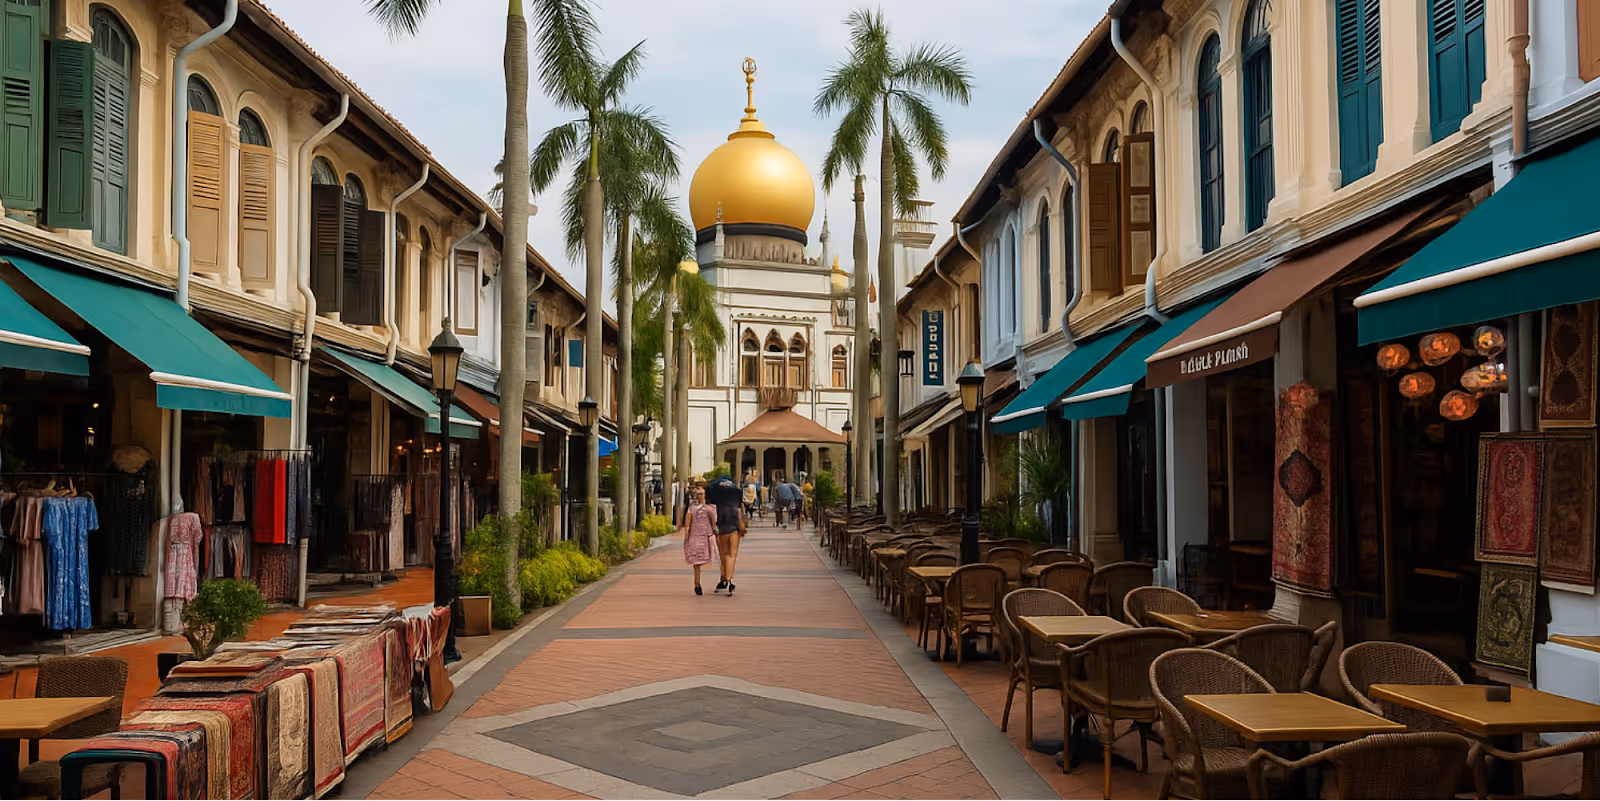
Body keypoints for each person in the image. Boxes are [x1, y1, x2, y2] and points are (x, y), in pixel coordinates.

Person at [705, 472, 744, 594]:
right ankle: (729, 579)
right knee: (732, 554)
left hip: (721, 524)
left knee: (723, 555)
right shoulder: (736, 491)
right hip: (734, 524)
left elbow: (710, 506)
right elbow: (739, 509)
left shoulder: (714, 490)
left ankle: (724, 578)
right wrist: (742, 524)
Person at [679, 486, 718, 595]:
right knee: (696, 561)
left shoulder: (710, 507)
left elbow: (714, 521)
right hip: (695, 535)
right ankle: (697, 583)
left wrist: (713, 530)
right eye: (697, 494)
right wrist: (687, 534)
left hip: (706, 535)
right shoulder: (691, 507)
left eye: (701, 494)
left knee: (711, 557)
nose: (699, 496)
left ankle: (724, 579)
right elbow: (687, 521)